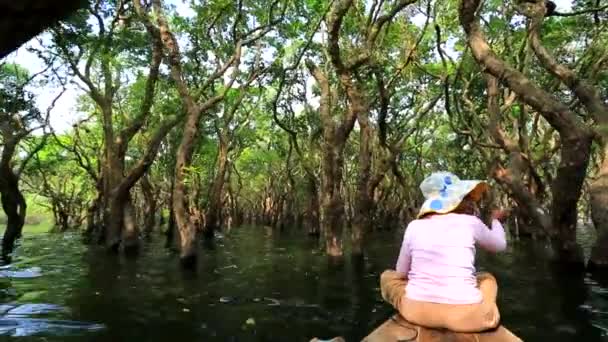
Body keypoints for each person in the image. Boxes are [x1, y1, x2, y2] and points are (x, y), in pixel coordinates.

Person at [380, 171, 508, 333]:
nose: (471, 203)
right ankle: (485, 310)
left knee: (387, 277)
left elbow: (401, 272)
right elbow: (500, 245)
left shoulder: (414, 226)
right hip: (471, 318)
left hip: (416, 312)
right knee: (487, 278)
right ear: (454, 201)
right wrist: (496, 221)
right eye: (465, 198)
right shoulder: (470, 222)